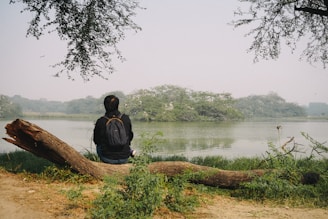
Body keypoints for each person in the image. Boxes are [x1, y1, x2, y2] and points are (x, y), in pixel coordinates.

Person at [93, 95, 135, 164]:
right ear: (117, 105)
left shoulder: (101, 121)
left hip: (107, 158)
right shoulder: (125, 118)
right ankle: (130, 152)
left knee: (99, 145)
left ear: (105, 106)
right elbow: (130, 137)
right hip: (124, 157)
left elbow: (96, 140)